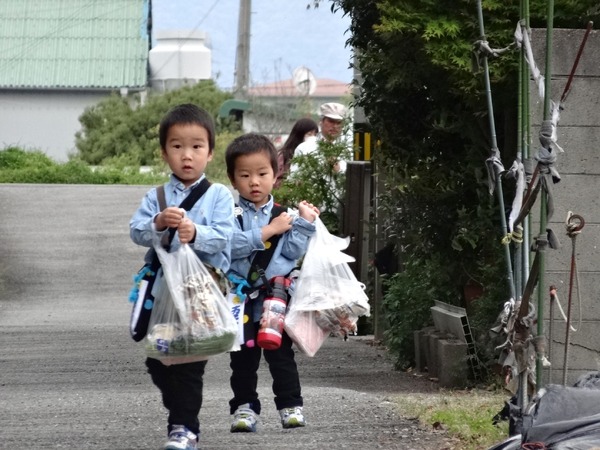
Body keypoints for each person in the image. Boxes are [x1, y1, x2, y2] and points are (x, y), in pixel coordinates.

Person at [129, 103, 235, 450]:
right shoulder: (156, 196)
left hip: (198, 298)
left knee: (190, 364)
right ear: (164, 152)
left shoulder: (218, 194)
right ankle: (179, 412)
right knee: (159, 361)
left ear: (209, 152)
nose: (186, 155)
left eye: (196, 147)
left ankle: (184, 428)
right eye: (177, 146)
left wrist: (195, 232)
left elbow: (224, 237)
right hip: (162, 295)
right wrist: (157, 223)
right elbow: (136, 232)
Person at [224, 132, 320, 433]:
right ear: (232, 178)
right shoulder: (229, 215)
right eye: (245, 175)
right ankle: (244, 408)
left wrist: (304, 223)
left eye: (262, 174)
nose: (255, 182)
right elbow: (229, 247)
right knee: (243, 355)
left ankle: (291, 406)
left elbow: (292, 252)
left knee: (280, 354)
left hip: (276, 298)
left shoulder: (285, 215)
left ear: (275, 174)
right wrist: (268, 231)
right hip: (241, 299)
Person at [294, 102, 348, 173]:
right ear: (321, 121)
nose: (335, 126)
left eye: (338, 123)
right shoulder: (305, 147)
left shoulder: (348, 150)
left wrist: (338, 170)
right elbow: (294, 178)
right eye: (331, 121)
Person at [275, 117, 319, 188]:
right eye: (309, 134)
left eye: (315, 135)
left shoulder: (316, 155)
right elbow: (275, 180)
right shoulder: (284, 155)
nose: (313, 138)